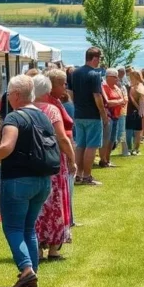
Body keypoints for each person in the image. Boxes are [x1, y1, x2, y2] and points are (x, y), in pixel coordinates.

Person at [0, 75, 57, 287]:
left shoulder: (14, 118)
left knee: (13, 228)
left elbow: (7, 147)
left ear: (15, 95)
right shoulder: (43, 116)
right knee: (28, 228)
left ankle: (26, 270)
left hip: (18, 181)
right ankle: (32, 273)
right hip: (42, 181)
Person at [32, 75, 74, 261]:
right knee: (55, 202)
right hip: (53, 162)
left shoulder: (25, 109)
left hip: (33, 163)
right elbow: (62, 138)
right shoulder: (51, 110)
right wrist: (72, 159)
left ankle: (38, 247)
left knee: (36, 205)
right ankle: (53, 248)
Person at [43, 68, 77, 226]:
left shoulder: (56, 101)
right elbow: (61, 136)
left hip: (61, 150)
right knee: (58, 191)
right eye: (63, 84)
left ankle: (66, 220)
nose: (65, 86)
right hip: (57, 152)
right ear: (53, 85)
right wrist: (71, 157)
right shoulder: (51, 104)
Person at [69, 48, 108, 186]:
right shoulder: (94, 74)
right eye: (99, 59)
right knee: (91, 146)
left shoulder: (75, 72)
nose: (100, 62)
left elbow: (71, 92)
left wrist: (76, 105)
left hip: (78, 114)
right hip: (92, 115)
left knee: (81, 145)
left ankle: (78, 175)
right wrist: (103, 114)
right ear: (95, 58)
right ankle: (87, 176)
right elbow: (97, 96)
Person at [99, 70, 126, 168]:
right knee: (106, 139)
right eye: (115, 77)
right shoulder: (104, 87)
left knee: (112, 139)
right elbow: (108, 102)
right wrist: (119, 101)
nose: (117, 79)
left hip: (116, 116)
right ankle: (103, 160)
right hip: (108, 116)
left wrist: (119, 101)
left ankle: (108, 159)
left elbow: (124, 99)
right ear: (108, 77)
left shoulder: (116, 88)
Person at [126, 70, 144, 156]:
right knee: (130, 131)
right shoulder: (133, 86)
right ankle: (131, 149)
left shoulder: (139, 87)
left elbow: (142, 101)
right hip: (130, 111)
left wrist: (141, 111)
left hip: (135, 111)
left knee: (135, 132)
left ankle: (135, 149)